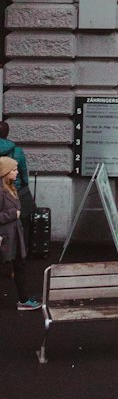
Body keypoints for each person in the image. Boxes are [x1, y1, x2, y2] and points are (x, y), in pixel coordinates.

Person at [0, 155, 40, 311]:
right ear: (5, 172)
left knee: (20, 265)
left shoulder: (11, 187)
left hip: (15, 234)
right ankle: (23, 300)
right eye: (14, 169)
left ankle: (23, 300)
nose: (17, 172)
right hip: (5, 236)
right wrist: (12, 214)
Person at [0, 120, 35, 236]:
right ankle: (22, 248)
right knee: (23, 219)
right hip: (15, 189)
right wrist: (24, 183)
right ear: (7, 133)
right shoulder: (17, 151)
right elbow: (23, 172)